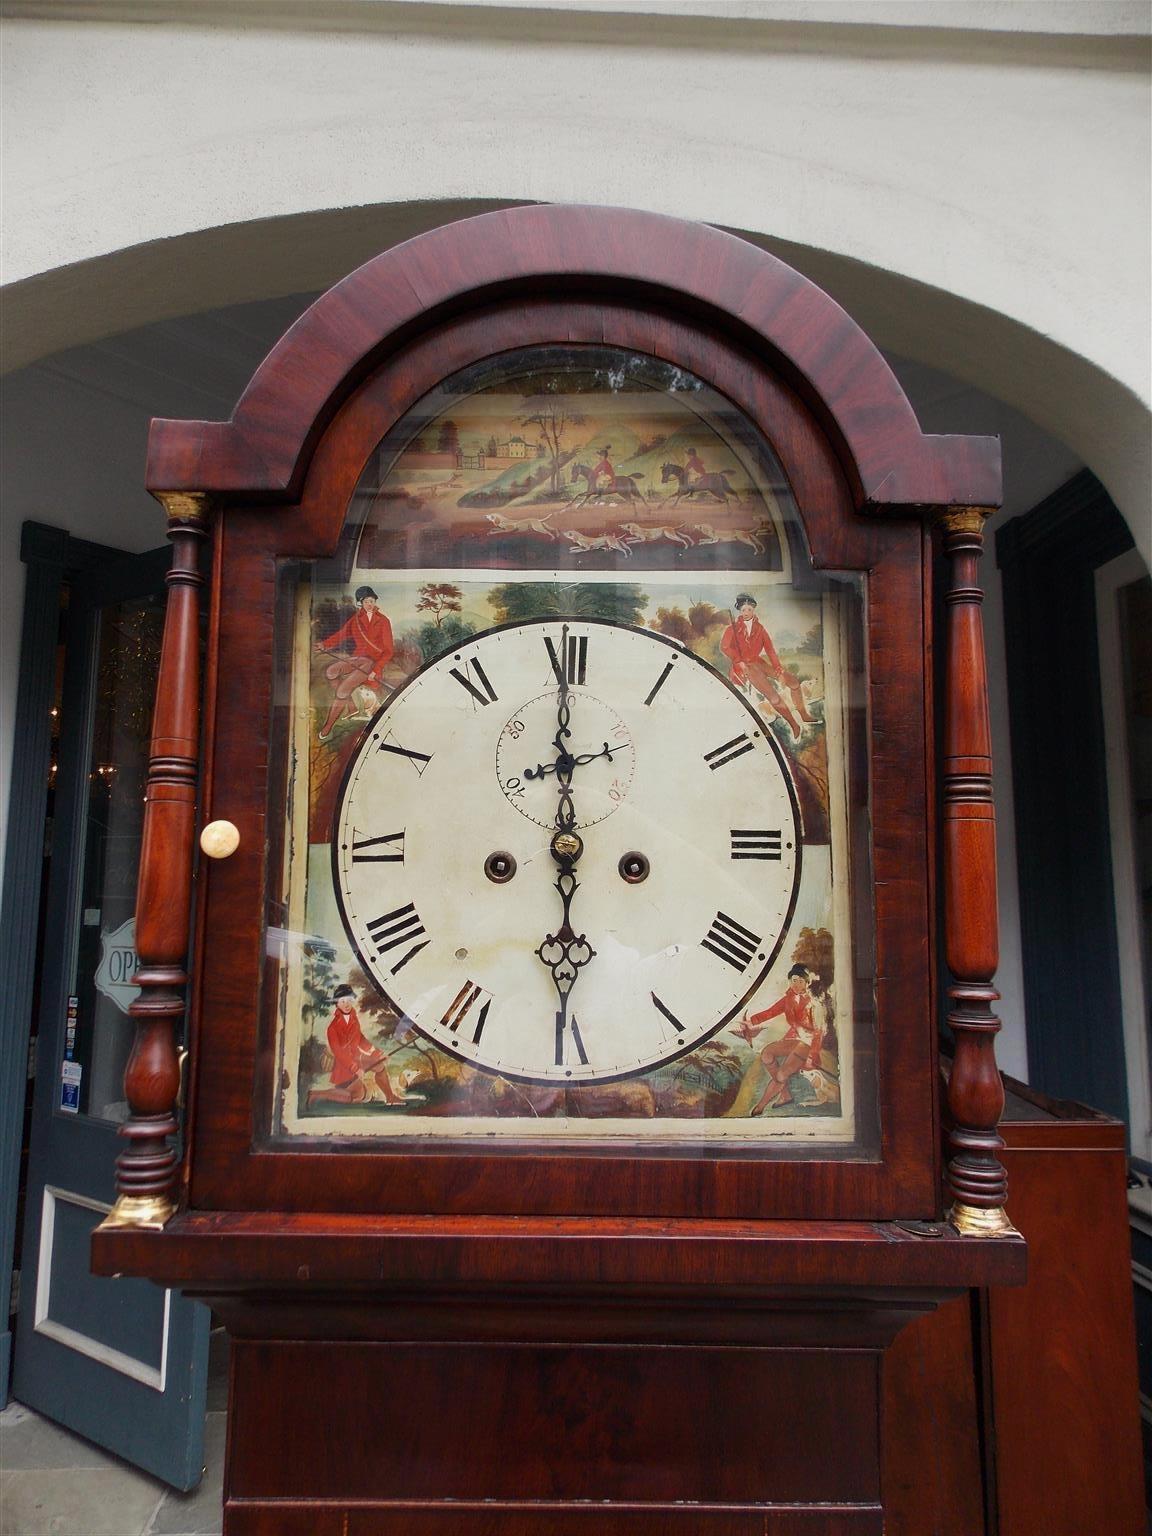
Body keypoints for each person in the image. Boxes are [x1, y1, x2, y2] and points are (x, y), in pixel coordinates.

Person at [719, 592, 814, 738]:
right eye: (743, 610)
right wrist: (739, 661)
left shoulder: (760, 629)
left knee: (793, 682)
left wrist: (779, 670)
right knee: (774, 698)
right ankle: (794, 725)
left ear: (753, 610)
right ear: (740, 610)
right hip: (747, 667)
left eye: (749, 610)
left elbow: (770, 650)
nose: (746, 613)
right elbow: (725, 647)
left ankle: (803, 714)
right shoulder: (732, 629)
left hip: (759, 662)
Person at [734, 965, 824, 1114]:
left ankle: (761, 1106)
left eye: (801, 981)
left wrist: (812, 1056)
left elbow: (819, 1031)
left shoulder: (813, 1003)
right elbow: (771, 1012)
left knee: (781, 1075)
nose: (797, 984)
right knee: (766, 1054)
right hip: (793, 1038)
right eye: (794, 980)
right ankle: (785, 1094)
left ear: (807, 983)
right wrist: (752, 1021)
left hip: (807, 1042)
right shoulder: (788, 999)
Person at [315, 587, 394, 740]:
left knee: (343, 689)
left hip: (372, 663)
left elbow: (388, 650)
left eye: (372, 600)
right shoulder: (357, 619)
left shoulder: (383, 621)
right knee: (330, 672)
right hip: (358, 658)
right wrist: (324, 645)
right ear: (360, 603)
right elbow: (342, 634)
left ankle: (328, 726)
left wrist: (376, 669)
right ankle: (351, 705)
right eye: (366, 601)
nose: (370, 604)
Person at [306, 985, 405, 1107]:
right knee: (353, 1097)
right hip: (344, 1067)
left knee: (379, 1064)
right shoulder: (332, 1028)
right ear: (337, 1004)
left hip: (358, 1059)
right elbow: (339, 1053)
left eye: (348, 1000)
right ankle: (315, 1094)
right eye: (342, 1001)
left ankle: (390, 1097)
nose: (346, 1004)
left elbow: (361, 1039)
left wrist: (376, 1053)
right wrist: (355, 1068)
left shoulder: (353, 1018)